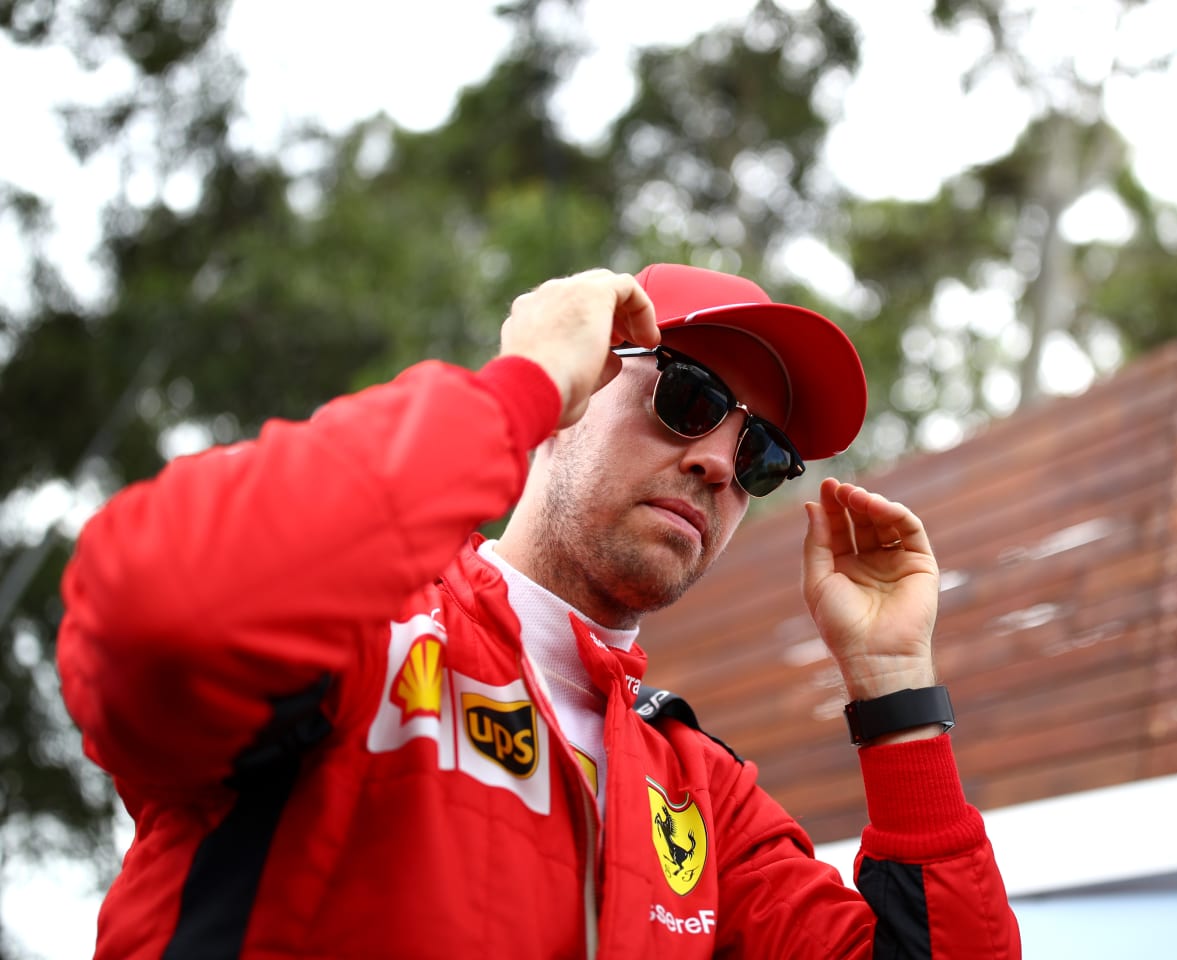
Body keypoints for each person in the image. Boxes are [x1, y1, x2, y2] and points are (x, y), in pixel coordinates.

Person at [57, 263, 1021, 958]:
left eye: (763, 452)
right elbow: (159, 618)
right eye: (688, 397)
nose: (721, 464)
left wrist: (895, 696)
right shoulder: (372, 627)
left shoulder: (703, 796)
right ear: (577, 391)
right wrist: (513, 391)